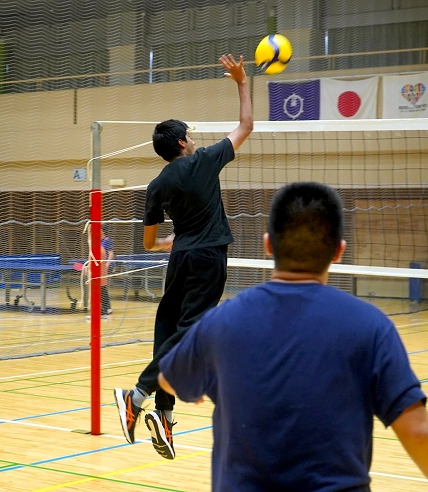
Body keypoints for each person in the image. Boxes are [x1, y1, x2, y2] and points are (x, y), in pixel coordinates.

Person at [158, 181, 428, 492]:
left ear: (268, 245)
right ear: (339, 251)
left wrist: (193, 387)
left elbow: (168, 379)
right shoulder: (371, 325)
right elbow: (417, 431)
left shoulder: (220, 321)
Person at [113, 53, 253, 460]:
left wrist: (169, 243)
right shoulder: (203, 161)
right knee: (189, 333)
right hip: (208, 257)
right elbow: (246, 126)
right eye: (189, 135)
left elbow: (148, 243)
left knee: (169, 327)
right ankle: (137, 395)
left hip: (179, 259)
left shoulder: (156, 185)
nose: (193, 139)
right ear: (181, 143)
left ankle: (165, 415)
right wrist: (242, 83)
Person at [101, 224, 115, 316]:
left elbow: (111, 254)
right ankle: (107, 307)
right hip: (101, 267)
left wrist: (106, 265)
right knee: (102, 288)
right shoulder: (99, 241)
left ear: (103, 230)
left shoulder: (107, 240)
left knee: (102, 287)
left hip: (107, 267)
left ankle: (107, 308)